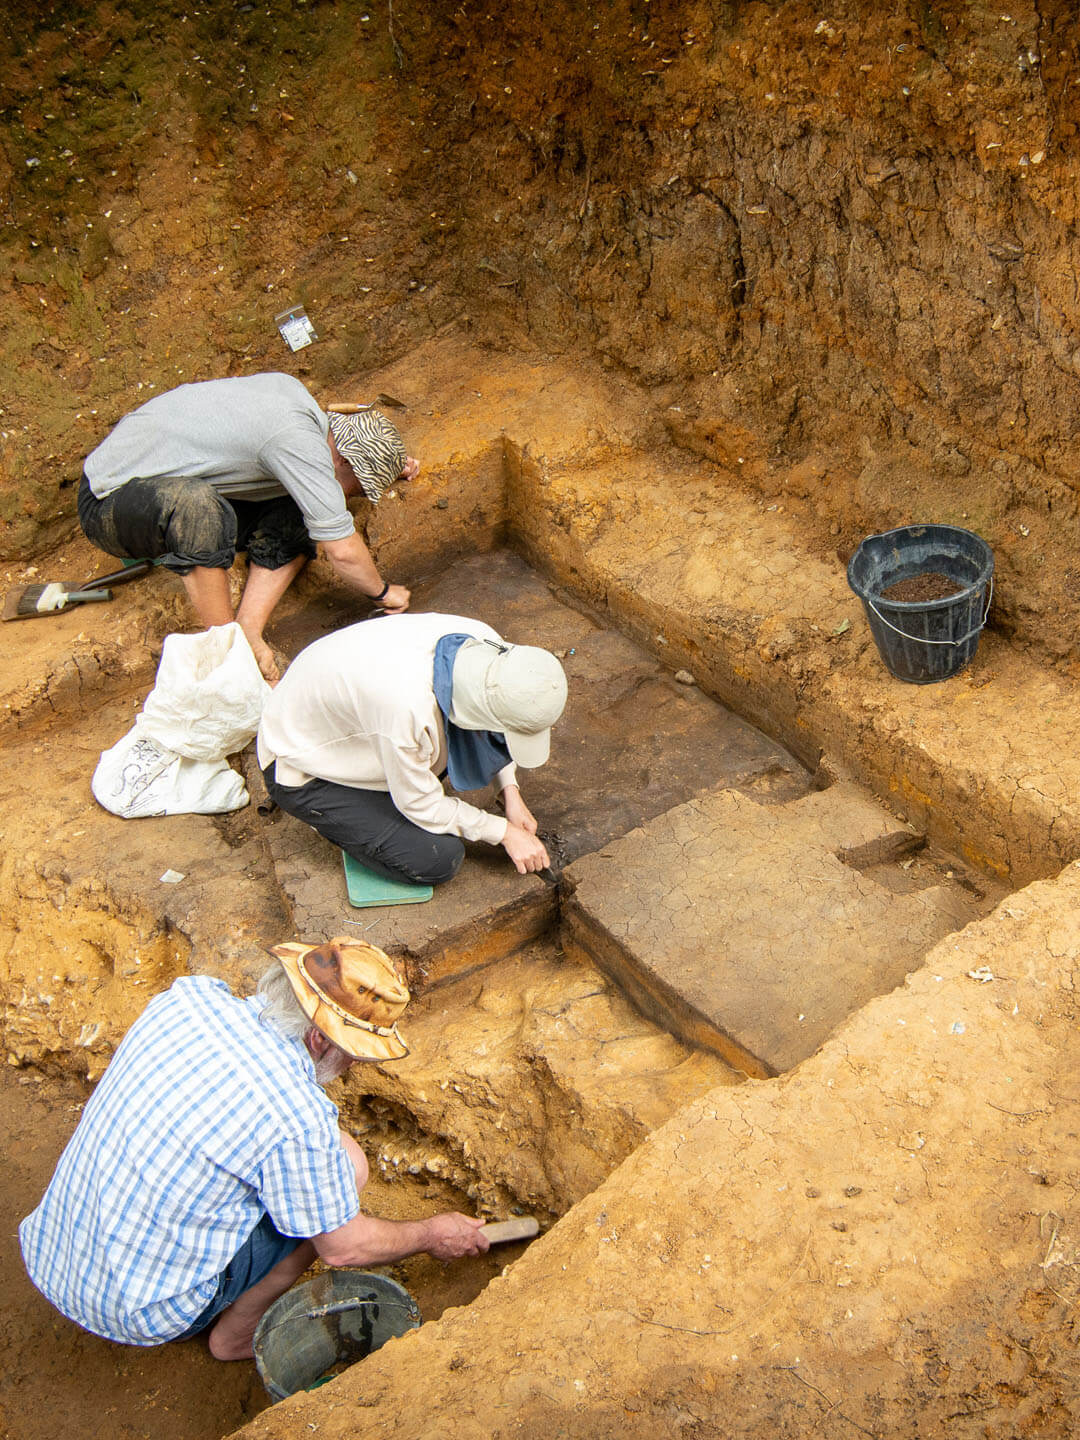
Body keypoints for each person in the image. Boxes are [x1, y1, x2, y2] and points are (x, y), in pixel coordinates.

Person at [19, 937, 489, 1360]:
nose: (351, 1065)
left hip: (52, 1253)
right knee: (333, 1192)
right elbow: (344, 1249)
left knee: (335, 1159)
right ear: (318, 1038)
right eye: (353, 1051)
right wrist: (432, 1234)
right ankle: (236, 1337)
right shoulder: (296, 1116)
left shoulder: (189, 998)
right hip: (145, 1309)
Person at [77, 373, 419, 683]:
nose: (349, 495)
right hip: (111, 501)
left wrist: (386, 462)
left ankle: (248, 631)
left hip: (163, 480)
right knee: (200, 509)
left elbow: (317, 479)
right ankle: (230, 655)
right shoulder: (295, 442)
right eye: (357, 487)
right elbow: (342, 550)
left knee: (303, 507)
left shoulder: (301, 412)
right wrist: (383, 592)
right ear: (343, 459)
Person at [256, 611, 569, 885]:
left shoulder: (488, 646)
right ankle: (339, 819)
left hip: (352, 720)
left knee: (433, 761)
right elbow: (421, 804)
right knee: (436, 857)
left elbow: (496, 722)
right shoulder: (405, 709)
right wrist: (504, 832)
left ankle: (379, 800)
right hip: (300, 765)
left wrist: (509, 792)